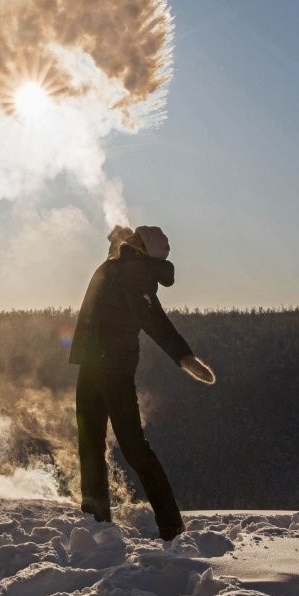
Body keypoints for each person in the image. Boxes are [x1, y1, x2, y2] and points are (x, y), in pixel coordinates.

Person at [69, 225, 215, 541]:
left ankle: (171, 525)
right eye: (131, 235)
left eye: (136, 238)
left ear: (142, 249)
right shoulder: (121, 264)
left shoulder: (136, 278)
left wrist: (185, 358)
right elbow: (114, 257)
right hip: (92, 366)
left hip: (114, 372)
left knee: (135, 449)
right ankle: (96, 521)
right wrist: (114, 237)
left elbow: (156, 323)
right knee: (90, 444)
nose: (130, 239)